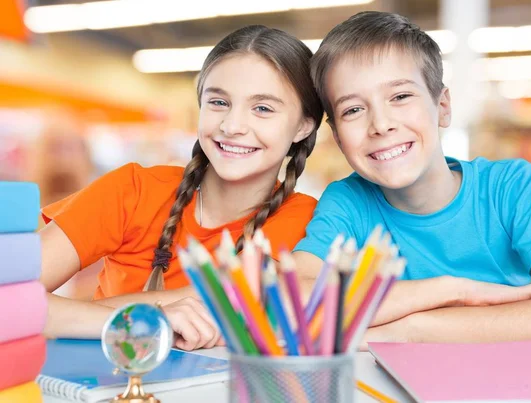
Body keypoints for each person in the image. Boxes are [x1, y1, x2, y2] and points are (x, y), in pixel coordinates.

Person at [293, 11, 531, 349]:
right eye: (353, 109)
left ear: (442, 106)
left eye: (400, 97)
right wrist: (451, 290)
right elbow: (293, 306)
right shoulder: (348, 202)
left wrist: (412, 330)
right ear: (337, 136)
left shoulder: (511, 188)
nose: (380, 124)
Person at [40, 25, 323, 351]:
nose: (232, 126)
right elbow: (9, 298)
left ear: (303, 125)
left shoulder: (310, 226)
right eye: (218, 102)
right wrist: (150, 316)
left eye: (263, 108)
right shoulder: (133, 190)